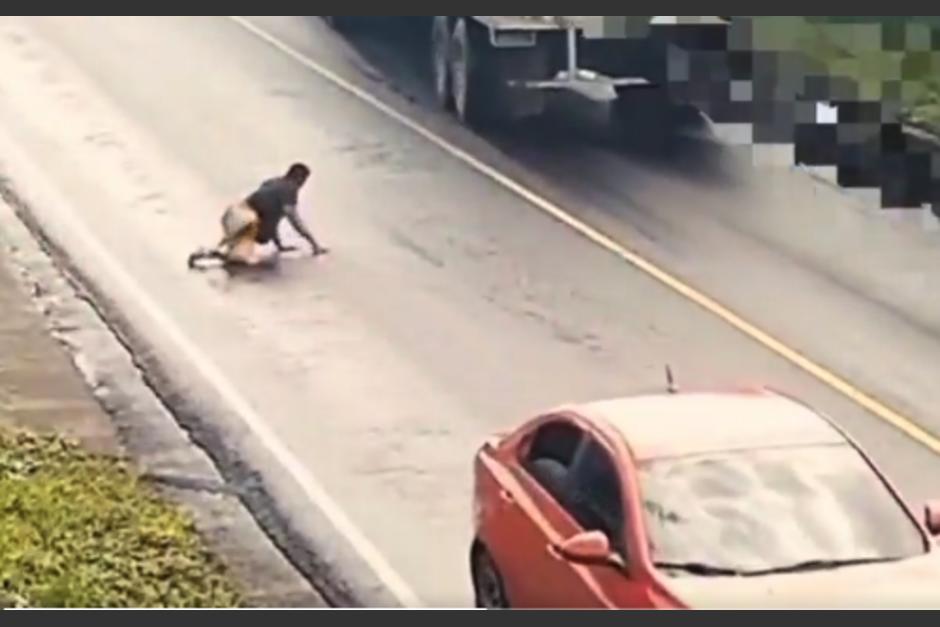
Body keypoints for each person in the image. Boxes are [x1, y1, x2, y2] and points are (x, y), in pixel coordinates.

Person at [188, 163, 328, 269]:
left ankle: (205, 253)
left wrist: (279, 246)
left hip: (235, 213)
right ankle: (208, 255)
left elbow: (272, 219)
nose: (303, 185)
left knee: (234, 251)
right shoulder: (289, 190)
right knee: (239, 261)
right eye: (304, 180)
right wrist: (314, 244)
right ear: (299, 178)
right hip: (247, 219)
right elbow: (295, 220)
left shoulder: (273, 182)